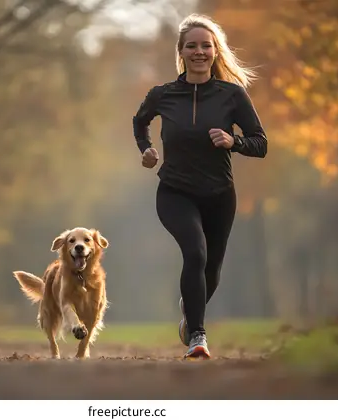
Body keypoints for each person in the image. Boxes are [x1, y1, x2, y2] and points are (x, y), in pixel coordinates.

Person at [132, 13, 268, 359]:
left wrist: (233, 141)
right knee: (195, 251)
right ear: (181, 52)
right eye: (191, 46)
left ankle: (188, 311)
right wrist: (146, 149)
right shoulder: (163, 95)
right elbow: (139, 122)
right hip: (175, 191)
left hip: (220, 195)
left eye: (205, 46)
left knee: (212, 271)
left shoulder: (232, 96)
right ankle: (198, 336)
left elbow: (260, 143)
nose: (199, 52)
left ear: (215, 52)